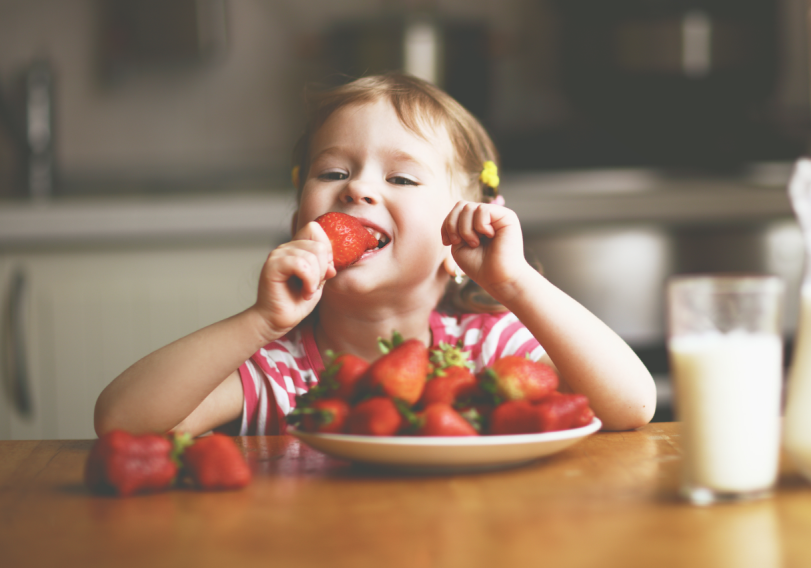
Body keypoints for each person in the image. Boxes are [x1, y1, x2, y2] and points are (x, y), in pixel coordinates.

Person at [94, 73, 656, 437]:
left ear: (459, 238)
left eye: (402, 178)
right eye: (333, 172)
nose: (358, 190)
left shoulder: (488, 348)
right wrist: (260, 322)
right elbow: (122, 422)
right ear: (298, 225)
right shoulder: (279, 370)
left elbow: (631, 406)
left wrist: (516, 285)